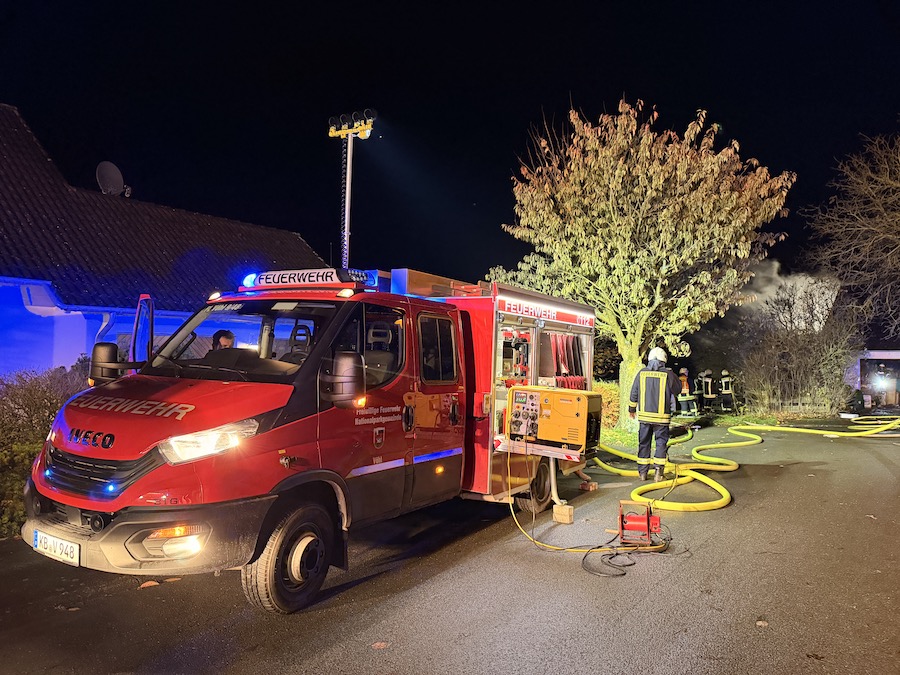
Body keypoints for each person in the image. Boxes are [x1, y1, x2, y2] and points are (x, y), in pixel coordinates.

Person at [628, 347, 682, 482]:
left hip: (644, 417)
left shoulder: (641, 373)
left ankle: (642, 473)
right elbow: (678, 389)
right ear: (664, 360)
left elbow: (634, 392)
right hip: (662, 418)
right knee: (661, 444)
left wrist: (631, 410)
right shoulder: (668, 374)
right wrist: (672, 375)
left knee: (644, 443)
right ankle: (658, 473)